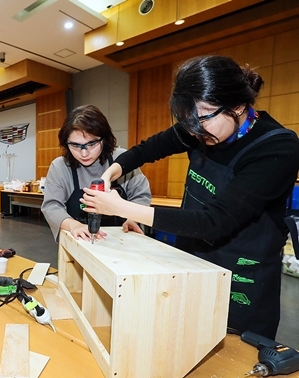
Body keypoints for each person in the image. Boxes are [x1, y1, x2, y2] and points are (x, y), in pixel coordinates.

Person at [82, 55, 299, 339]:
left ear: (236, 105)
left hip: (243, 273)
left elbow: (215, 221)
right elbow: (148, 149)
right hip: (192, 256)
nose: (195, 129)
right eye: (188, 120)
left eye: (204, 116)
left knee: (232, 351)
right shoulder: (200, 128)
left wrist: (124, 208)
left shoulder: (277, 147)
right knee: (183, 334)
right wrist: (111, 172)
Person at [41, 104, 151, 242]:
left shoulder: (122, 160)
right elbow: (51, 206)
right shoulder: (60, 166)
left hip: (121, 239)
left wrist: (133, 218)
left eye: (91, 144)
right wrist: (73, 225)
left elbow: (141, 195)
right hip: (80, 240)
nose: (84, 153)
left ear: (104, 139)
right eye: (75, 145)